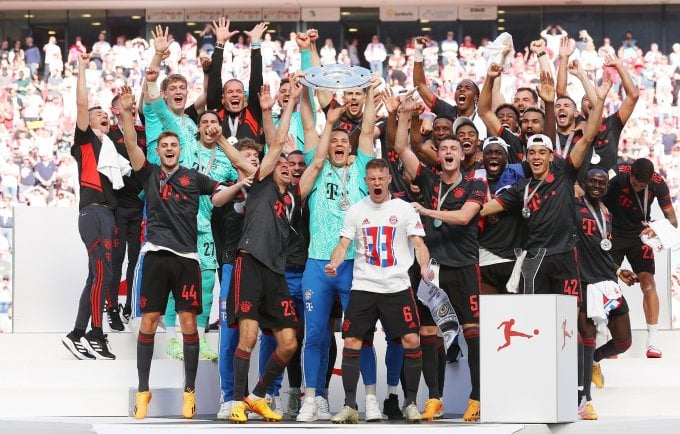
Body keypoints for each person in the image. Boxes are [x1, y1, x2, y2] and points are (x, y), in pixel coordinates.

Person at [117, 85, 234, 420]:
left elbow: (219, 195)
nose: (168, 148)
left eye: (173, 145)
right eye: (163, 145)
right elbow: (129, 144)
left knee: (188, 324)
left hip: (188, 260)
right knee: (150, 322)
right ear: (159, 150)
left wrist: (240, 186)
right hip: (155, 256)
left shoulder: (194, 177)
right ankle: (143, 391)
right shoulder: (150, 172)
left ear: (181, 150)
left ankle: (190, 392)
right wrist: (127, 114)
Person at [395, 95, 486, 421]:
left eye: (454, 150)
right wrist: (404, 115)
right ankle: (435, 398)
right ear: (438, 154)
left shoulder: (475, 185)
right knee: (429, 333)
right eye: (443, 149)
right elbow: (402, 148)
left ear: (463, 155)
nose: (448, 153)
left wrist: (425, 210)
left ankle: (477, 399)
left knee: (472, 332)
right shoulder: (428, 178)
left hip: (462, 267)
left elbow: (463, 218)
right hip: (430, 270)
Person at [296, 79, 380, 423]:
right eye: (334, 142)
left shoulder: (362, 167)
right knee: (314, 335)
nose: (339, 144)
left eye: (345, 141)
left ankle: (370, 398)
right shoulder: (316, 167)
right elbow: (307, 123)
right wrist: (307, 91)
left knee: (360, 335)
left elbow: (369, 127)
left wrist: (371, 91)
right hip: (318, 261)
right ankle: (312, 399)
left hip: (354, 264)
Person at [225, 74, 306, 424]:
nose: (287, 168)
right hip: (250, 263)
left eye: (292, 167)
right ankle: (239, 402)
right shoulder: (260, 183)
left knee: (288, 343)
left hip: (277, 273)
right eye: (282, 165)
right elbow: (274, 145)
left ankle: (258, 395)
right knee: (249, 335)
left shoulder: (293, 198)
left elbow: (305, 162)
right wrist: (285, 105)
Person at [325, 158, 429, 424]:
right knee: (351, 341)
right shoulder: (357, 210)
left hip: (396, 286)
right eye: (371, 178)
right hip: (364, 286)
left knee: (412, 341)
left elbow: (418, 243)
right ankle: (350, 405)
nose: (376, 183)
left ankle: (411, 403)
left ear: (388, 179)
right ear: (366, 181)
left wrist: (426, 268)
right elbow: (343, 243)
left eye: (381, 178)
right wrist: (334, 263)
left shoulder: (404, 209)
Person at [60, 52, 117, 361]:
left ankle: (77, 333)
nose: (103, 117)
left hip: (107, 214)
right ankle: (95, 333)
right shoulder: (85, 140)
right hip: (93, 212)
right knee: (102, 275)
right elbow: (82, 104)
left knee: (96, 277)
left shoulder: (111, 148)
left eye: (105, 115)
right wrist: (82, 68)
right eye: (99, 115)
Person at [575, 168, 635, 420]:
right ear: (584, 184)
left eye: (602, 182)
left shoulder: (606, 214)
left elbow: (603, 249)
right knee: (587, 336)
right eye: (592, 181)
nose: (597, 185)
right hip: (583, 281)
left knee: (624, 341)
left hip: (608, 281)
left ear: (606, 188)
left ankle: (595, 361)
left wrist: (619, 270)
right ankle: (584, 400)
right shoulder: (572, 207)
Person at [602, 158, 678, 358]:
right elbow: (592, 194)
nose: (638, 189)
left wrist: (656, 229)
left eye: (642, 186)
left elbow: (673, 221)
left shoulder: (658, 184)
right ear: (630, 175)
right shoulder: (616, 173)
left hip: (639, 236)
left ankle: (652, 340)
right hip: (613, 235)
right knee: (605, 285)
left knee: (648, 284)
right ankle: (609, 339)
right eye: (635, 184)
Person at [106, 94, 146, 327]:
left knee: (136, 260)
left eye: (133, 104)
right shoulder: (108, 133)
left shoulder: (142, 133)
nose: (131, 107)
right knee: (116, 260)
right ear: (115, 110)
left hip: (140, 207)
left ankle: (131, 307)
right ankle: (111, 307)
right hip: (118, 206)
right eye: (125, 104)